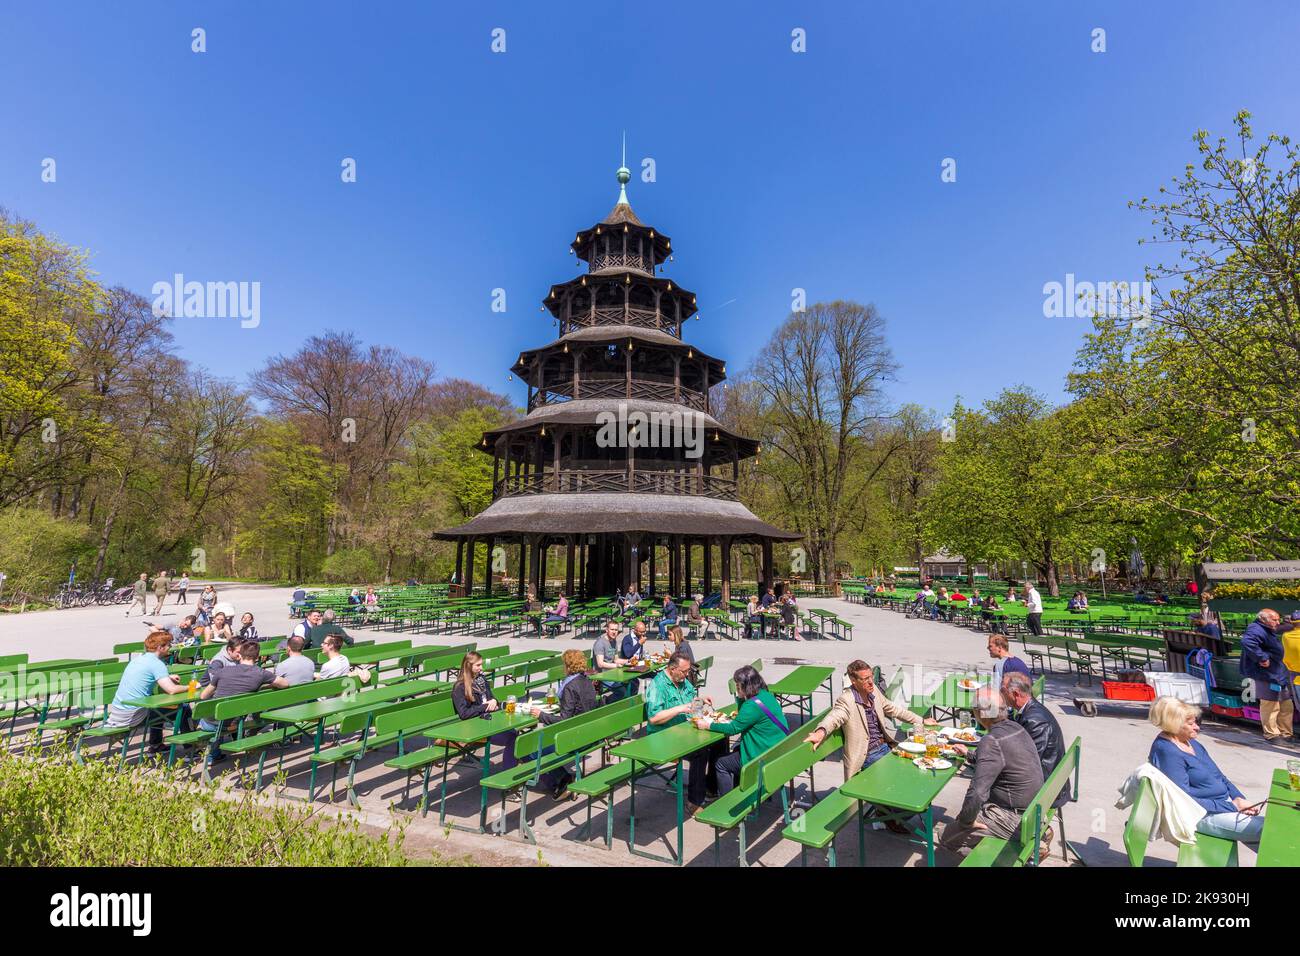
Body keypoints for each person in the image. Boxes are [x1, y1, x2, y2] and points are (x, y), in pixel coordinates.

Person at [938, 687, 1045, 857]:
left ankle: (1017, 854)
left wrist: (966, 822)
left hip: (1017, 819)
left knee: (945, 835)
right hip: (1035, 810)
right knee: (966, 815)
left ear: (979, 714)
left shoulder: (991, 740)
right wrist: (970, 754)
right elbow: (1002, 759)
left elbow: (978, 792)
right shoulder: (1016, 727)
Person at [1148, 696, 1263, 843]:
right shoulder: (1168, 752)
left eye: (1196, 722)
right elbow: (1182, 799)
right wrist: (1232, 806)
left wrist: (1241, 801)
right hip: (1200, 815)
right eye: (1190, 724)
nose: (1197, 727)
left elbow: (1221, 777)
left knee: (1278, 828)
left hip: (1222, 806)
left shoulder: (1192, 744)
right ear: (1173, 725)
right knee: (1269, 831)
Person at [806, 659, 937, 779]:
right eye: (865, 679)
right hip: (868, 756)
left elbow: (894, 709)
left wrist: (921, 720)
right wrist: (821, 732)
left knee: (919, 768)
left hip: (886, 747)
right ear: (853, 680)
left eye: (871, 677)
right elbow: (834, 717)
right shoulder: (846, 700)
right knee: (904, 776)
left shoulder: (873, 691)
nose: (870, 682)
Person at [645, 651, 723, 813]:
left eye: (688, 671)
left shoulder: (683, 681)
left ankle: (711, 787)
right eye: (684, 671)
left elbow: (692, 703)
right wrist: (680, 708)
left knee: (720, 739)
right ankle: (694, 801)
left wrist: (701, 701)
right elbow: (653, 718)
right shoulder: (658, 685)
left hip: (684, 731)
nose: (687, 674)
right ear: (672, 669)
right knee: (700, 752)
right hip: (663, 737)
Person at [695, 665, 786, 796]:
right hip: (774, 749)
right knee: (736, 750)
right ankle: (739, 790)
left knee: (721, 763)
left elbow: (733, 728)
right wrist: (742, 697)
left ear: (746, 686)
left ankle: (726, 802)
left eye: (738, 686)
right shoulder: (766, 695)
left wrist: (708, 725)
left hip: (760, 756)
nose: (737, 688)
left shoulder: (751, 705)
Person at [103, 630, 193, 755]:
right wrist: (191, 686)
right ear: (161, 648)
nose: (170, 648)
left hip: (117, 713)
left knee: (160, 708)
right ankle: (192, 750)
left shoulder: (139, 659)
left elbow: (148, 674)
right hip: (132, 716)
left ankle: (156, 745)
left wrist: (167, 676)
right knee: (183, 709)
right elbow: (172, 690)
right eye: (169, 645)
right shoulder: (156, 664)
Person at [198, 640, 288, 763]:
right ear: (257, 657)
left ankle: (212, 756)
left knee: (216, 716)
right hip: (236, 722)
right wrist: (262, 686)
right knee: (230, 715)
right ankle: (215, 754)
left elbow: (203, 696)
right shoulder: (261, 674)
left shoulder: (222, 671)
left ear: (240, 655)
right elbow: (284, 684)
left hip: (212, 723)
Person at [535, 649, 600, 798]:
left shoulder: (570, 686)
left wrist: (541, 716)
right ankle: (560, 779)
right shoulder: (586, 681)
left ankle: (563, 780)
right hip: (590, 732)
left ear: (568, 666)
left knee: (534, 750)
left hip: (575, 737)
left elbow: (565, 720)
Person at [1002, 671, 1069, 808]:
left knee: (989, 786)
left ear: (1015, 694)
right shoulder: (1029, 710)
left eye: (1003, 690)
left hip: (1048, 789)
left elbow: (1026, 763)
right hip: (1049, 779)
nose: (1001, 694)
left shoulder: (1035, 720)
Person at [451, 651, 517, 771]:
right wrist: (485, 706)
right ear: (468, 666)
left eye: (481, 664)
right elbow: (464, 714)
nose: (481, 668)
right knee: (512, 737)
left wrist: (494, 702)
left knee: (516, 734)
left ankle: (521, 769)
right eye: (478, 665)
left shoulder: (481, 679)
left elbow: (491, 698)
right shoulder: (460, 687)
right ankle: (510, 773)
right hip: (475, 727)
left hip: (489, 721)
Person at [1240, 609, 1292, 741]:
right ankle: (1272, 734)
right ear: (1263, 619)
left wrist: (1292, 624)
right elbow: (1247, 642)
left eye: (1278, 619)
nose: (1277, 622)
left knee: (1286, 704)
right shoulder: (1256, 629)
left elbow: (1281, 628)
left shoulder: (1267, 627)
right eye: (1274, 620)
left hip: (1277, 672)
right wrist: (1262, 658)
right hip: (1266, 674)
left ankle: (1286, 733)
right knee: (1270, 704)